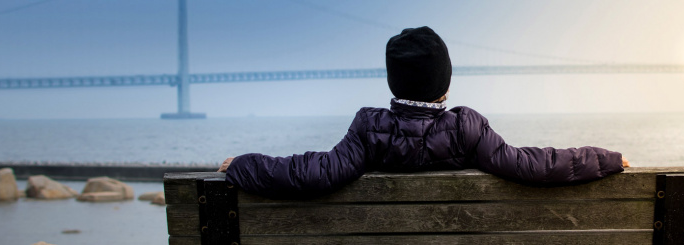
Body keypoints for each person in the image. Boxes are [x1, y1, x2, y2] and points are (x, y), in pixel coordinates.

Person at [219, 26, 629, 199]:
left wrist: (243, 164)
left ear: (392, 84)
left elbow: (314, 172)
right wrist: (605, 158)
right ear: (445, 85)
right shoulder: (466, 126)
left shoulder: (368, 127)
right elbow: (531, 164)